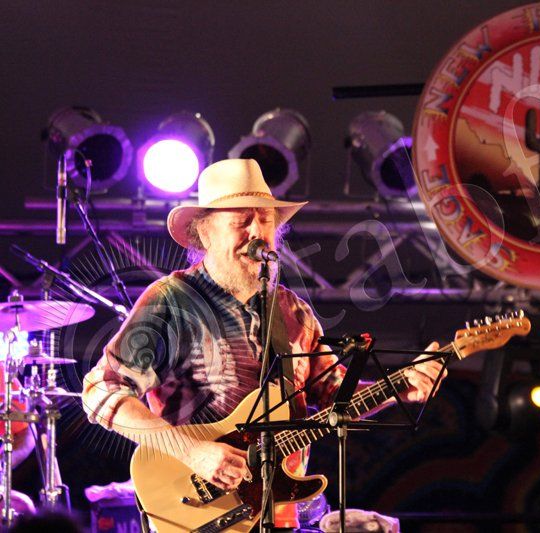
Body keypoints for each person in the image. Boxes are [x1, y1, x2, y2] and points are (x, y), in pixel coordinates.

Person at [81, 158, 444, 530]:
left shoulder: (292, 311)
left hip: (280, 512)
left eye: (266, 219)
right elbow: (100, 390)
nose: (257, 231)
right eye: (241, 221)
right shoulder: (172, 301)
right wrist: (192, 451)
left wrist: (399, 387)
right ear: (204, 232)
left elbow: (335, 396)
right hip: (200, 510)